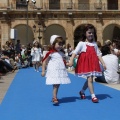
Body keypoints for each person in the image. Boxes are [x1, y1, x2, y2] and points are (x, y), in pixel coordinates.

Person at [67, 24, 106, 103]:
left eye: (92, 33)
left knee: (89, 79)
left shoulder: (94, 44)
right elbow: (74, 53)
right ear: (85, 33)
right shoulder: (82, 43)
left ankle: (82, 91)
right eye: (89, 32)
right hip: (85, 64)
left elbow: (98, 54)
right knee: (90, 79)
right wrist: (71, 61)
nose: (91, 34)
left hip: (92, 64)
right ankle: (93, 96)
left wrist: (103, 63)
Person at [41, 35, 71, 104]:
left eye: (61, 44)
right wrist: (43, 71)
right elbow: (44, 61)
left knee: (57, 84)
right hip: (54, 70)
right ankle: (54, 97)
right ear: (53, 44)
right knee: (55, 85)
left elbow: (63, 61)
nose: (60, 46)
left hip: (60, 71)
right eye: (59, 44)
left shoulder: (61, 53)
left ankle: (55, 96)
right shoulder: (51, 53)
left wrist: (67, 64)